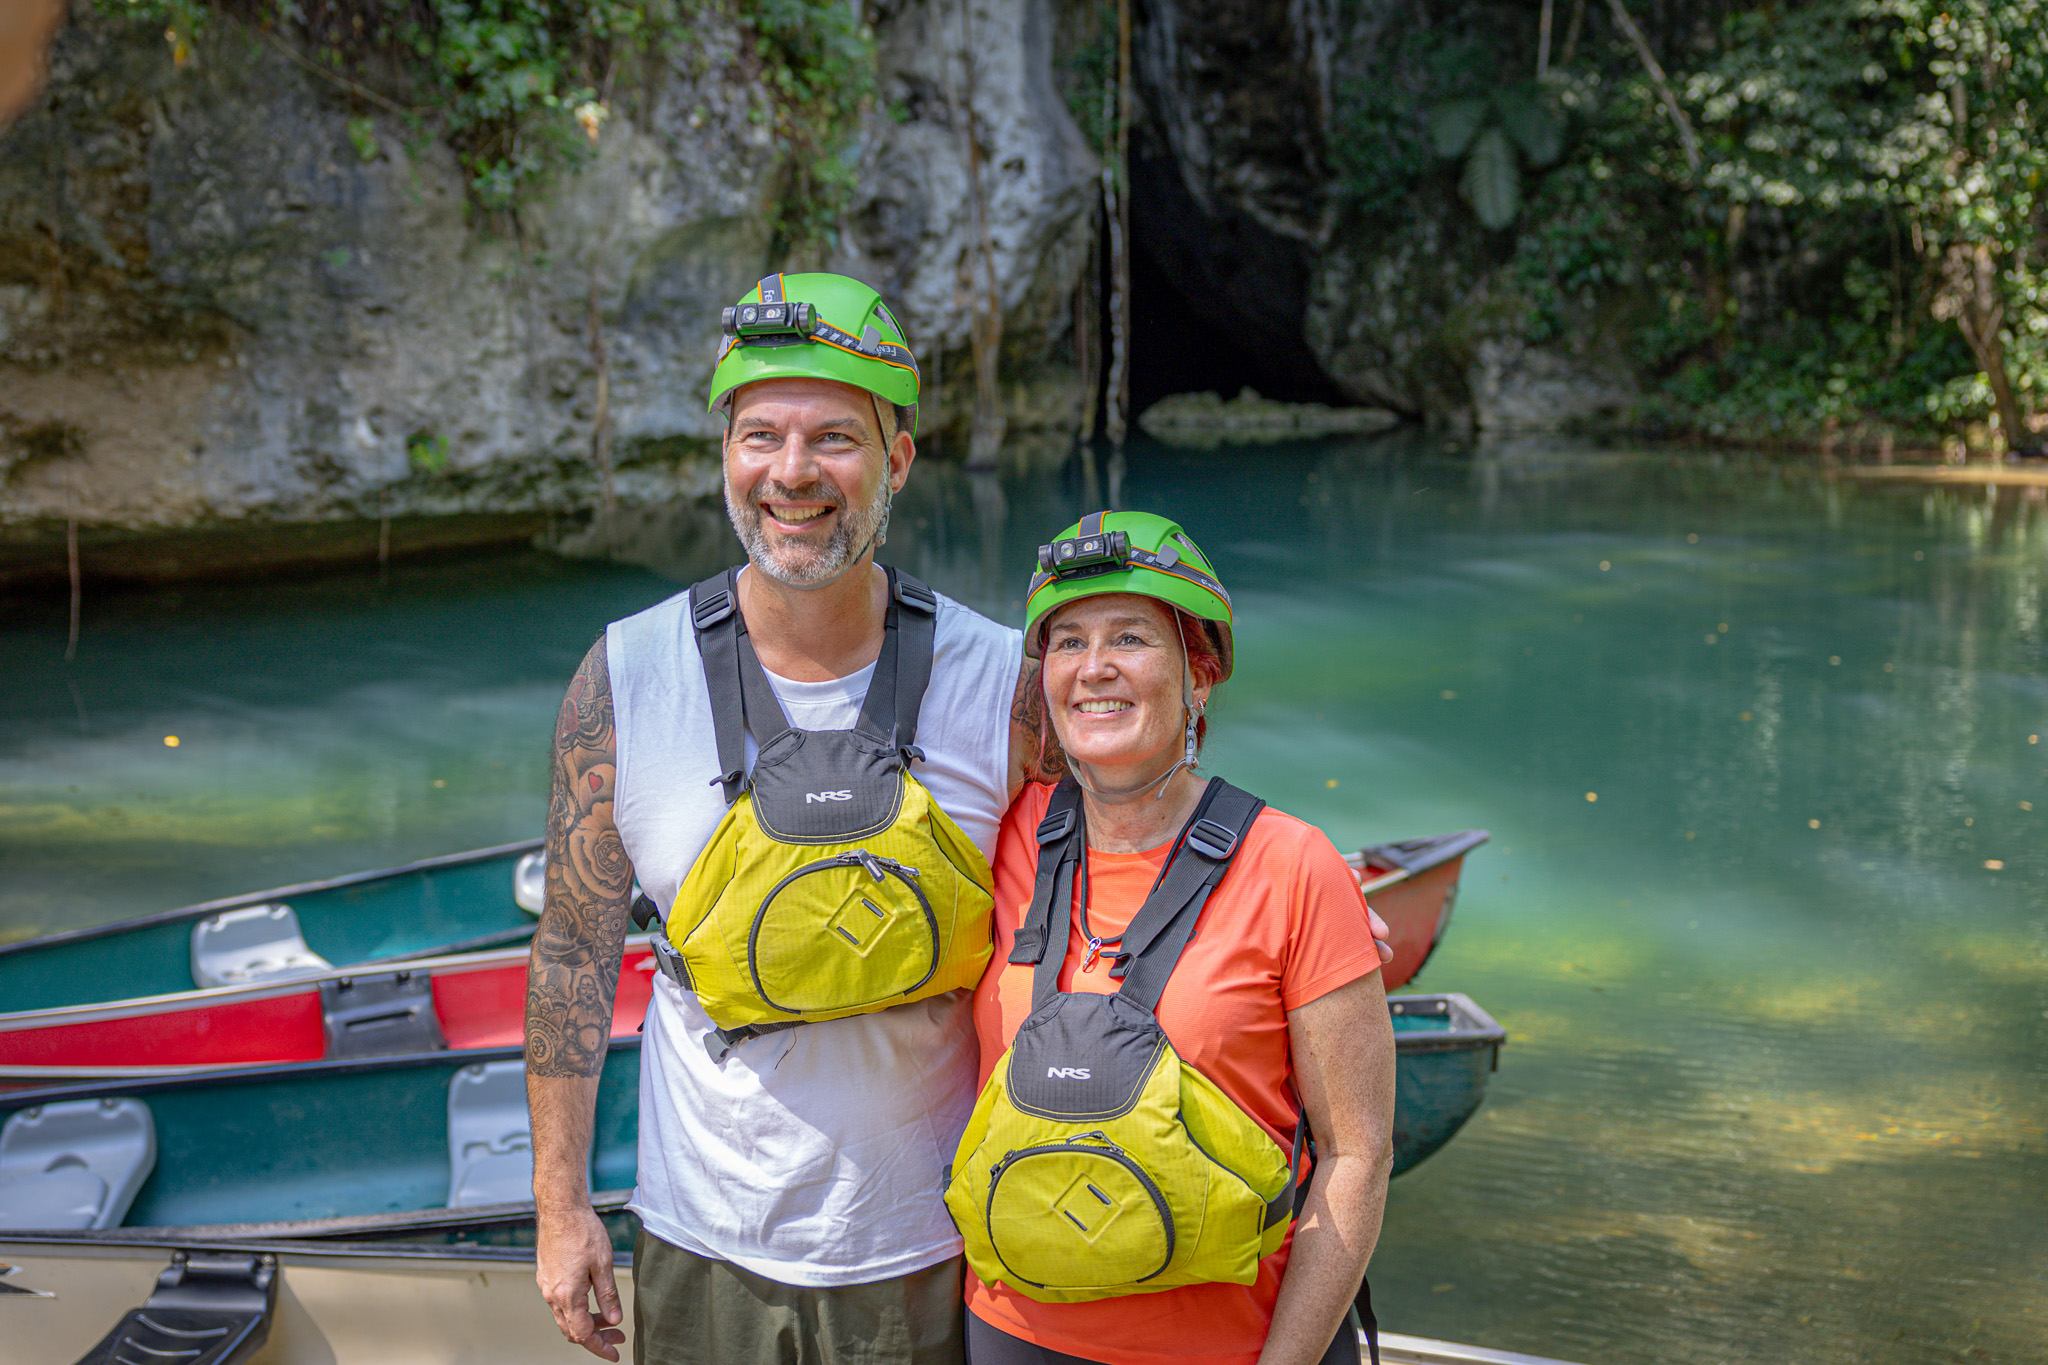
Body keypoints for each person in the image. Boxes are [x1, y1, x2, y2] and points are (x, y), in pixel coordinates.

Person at [524, 272, 1393, 1365]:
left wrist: (1310, 909)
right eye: (760, 435)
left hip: (935, 1250)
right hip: (705, 1236)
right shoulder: (625, 676)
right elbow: (571, 951)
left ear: (895, 462)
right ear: (724, 454)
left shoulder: (998, 680)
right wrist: (561, 1210)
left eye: (833, 437)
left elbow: (1131, 821)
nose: (792, 473)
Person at [950, 511, 1397, 1365]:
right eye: (1069, 642)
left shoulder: (1294, 866)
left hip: (1233, 1345)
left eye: (1130, 637)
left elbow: (1358, 1155)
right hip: (1013, 1335)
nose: (1095, 668)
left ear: (1200, 673)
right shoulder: (1001, 832)